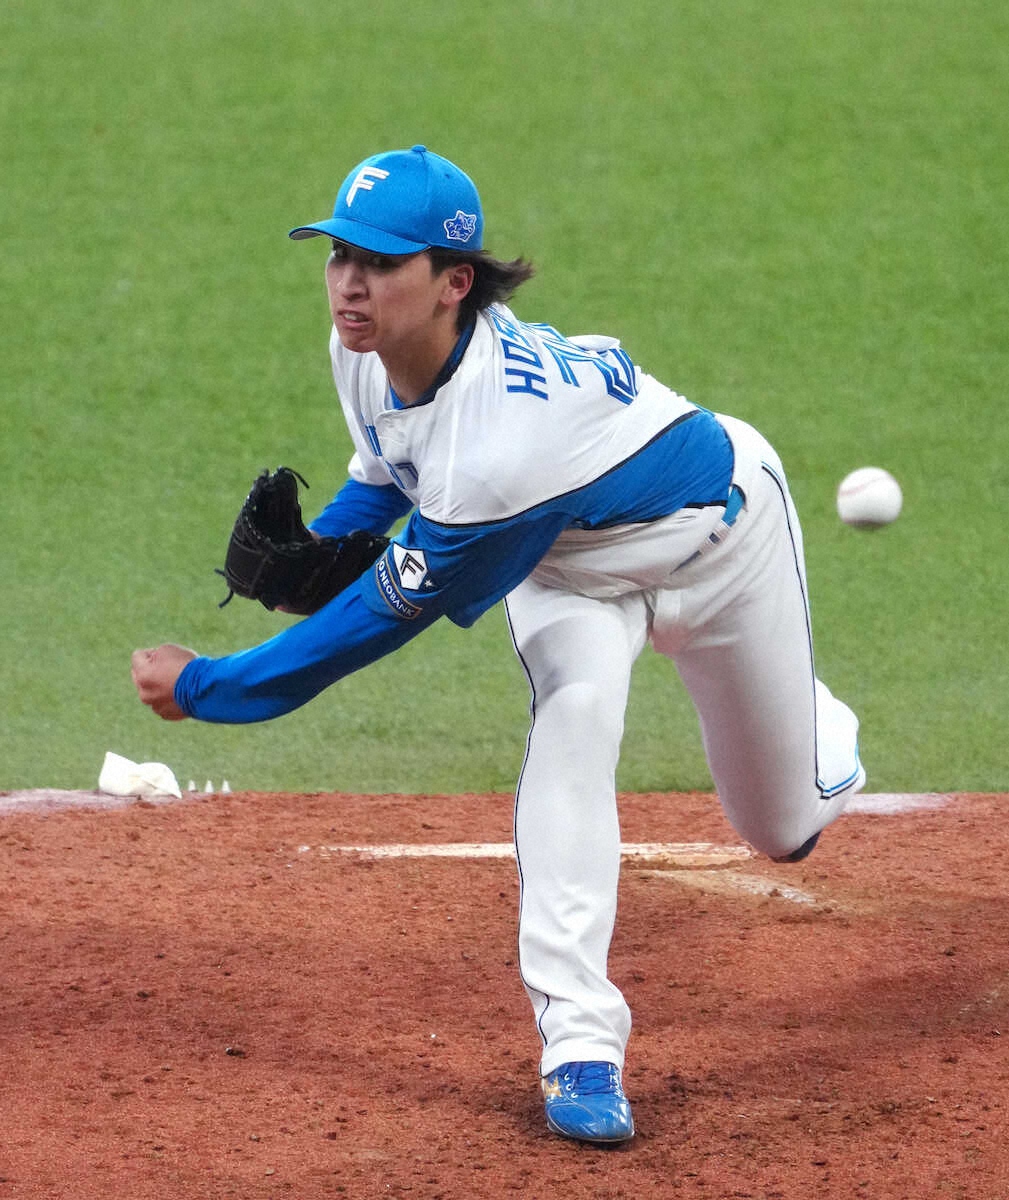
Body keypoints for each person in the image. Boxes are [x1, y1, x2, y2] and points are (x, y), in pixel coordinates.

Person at [132, 144, 865, 1146]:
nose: (349, 282)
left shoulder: (502, 451)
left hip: (723, 548)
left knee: (783, 830)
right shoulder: (364, 350)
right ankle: (580, 1046)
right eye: (340, 253)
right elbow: (388, 472)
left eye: (381, 262)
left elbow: (373, 624)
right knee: (573, 722)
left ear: (453, 284)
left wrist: (210, 687)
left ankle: (811, 720)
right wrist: (325, 547)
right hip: (565, 571)